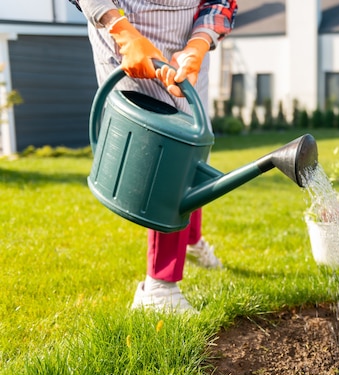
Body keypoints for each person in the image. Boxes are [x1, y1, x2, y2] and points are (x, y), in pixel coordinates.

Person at [73, 0, 238, 313]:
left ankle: (191, 240)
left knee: (193, 147)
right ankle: (159, 289)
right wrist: (123, 33)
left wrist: (199, 44)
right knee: (167, 152)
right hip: (127, 25)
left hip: (186, 36)